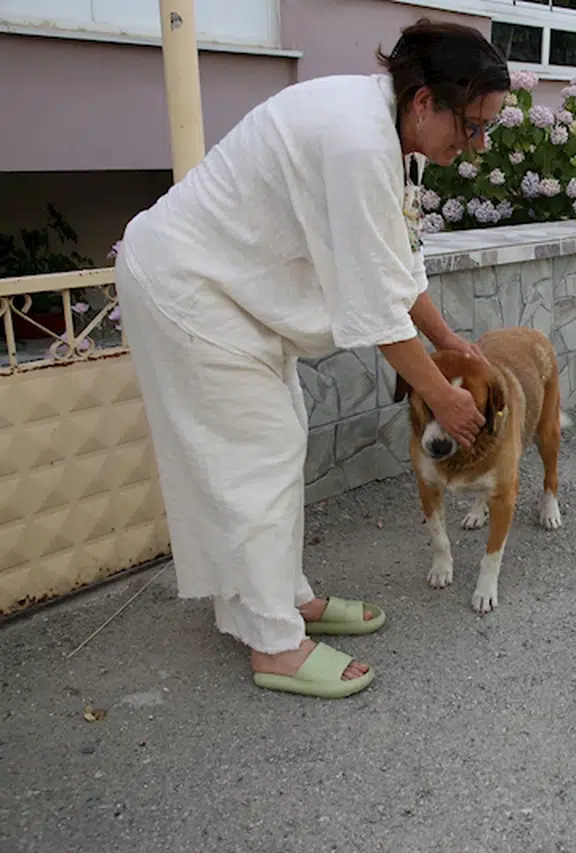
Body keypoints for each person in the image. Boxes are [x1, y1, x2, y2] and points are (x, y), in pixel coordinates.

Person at [113, 19, 510, 698]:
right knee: (258, 452)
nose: (474, 145)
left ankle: (275, 602)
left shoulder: (386, 130)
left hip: (225, 291)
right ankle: (275, 645)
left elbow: (397, 260)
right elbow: (376, 309)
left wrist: (446, 339)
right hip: (189, 287)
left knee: (272, 441)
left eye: (484, 129)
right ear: (424, 102)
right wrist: (442, 395)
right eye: (471, 126)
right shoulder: (359, 142)